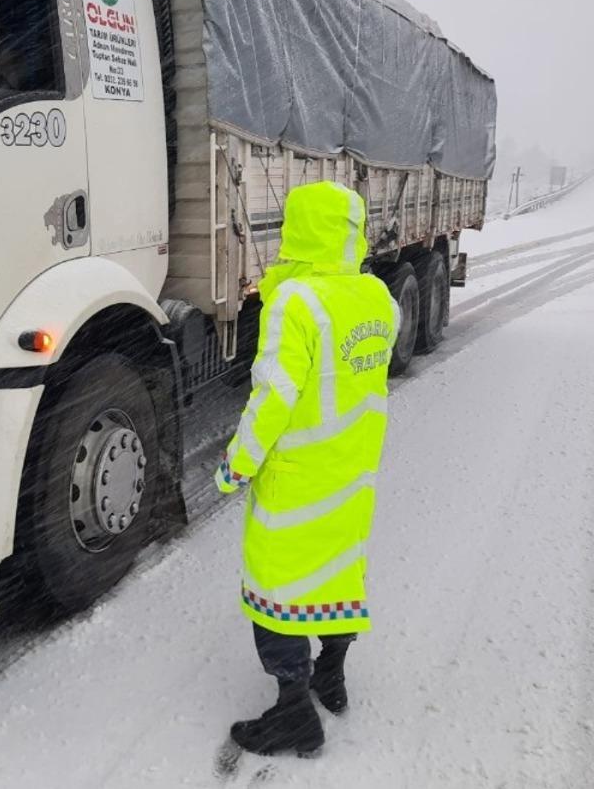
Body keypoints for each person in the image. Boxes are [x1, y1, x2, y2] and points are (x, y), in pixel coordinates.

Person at [215, 180, 399, 757]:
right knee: (338, 575)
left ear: (297, 231)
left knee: (276, 593)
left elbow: (273, 398)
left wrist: (236, 466)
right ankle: (332, 675)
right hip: (352, 472)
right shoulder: (378, 298)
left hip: (297, 477)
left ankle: (294, 709)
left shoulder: (294, 301)